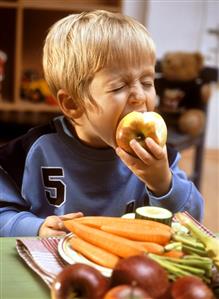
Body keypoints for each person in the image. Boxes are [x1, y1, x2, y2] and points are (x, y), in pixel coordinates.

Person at [0, 10, 204, 237]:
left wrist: (163, 183)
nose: (139, 96)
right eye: (118, 87)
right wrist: (35, 227)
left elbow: (194, 222)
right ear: (73, 104)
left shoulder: (157, 159)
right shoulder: (33, 151)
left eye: (147, 82)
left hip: (127, 268)